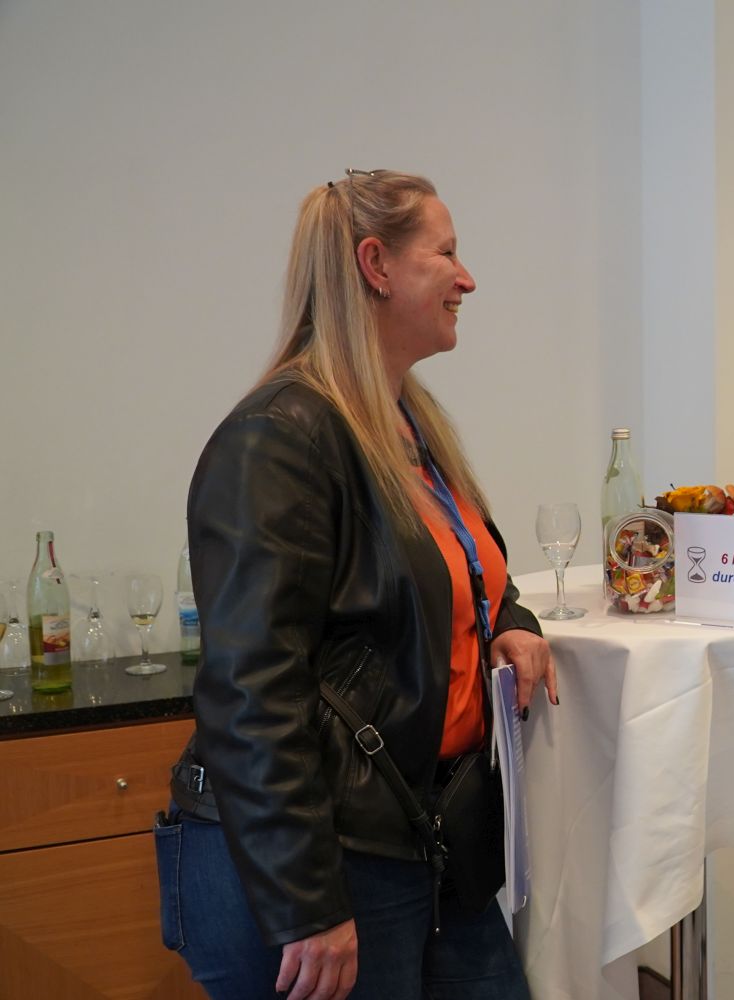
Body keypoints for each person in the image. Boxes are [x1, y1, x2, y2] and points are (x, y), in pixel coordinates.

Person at [156, 170, 556, 1000]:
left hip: (421, 836)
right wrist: (304, 902)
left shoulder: (408, 423)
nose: (467, 278)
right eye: (446, 254)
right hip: (328, 856)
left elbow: (451, 570)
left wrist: (510, 620)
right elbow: (250, 690)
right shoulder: (279, 439)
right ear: (376, 265)